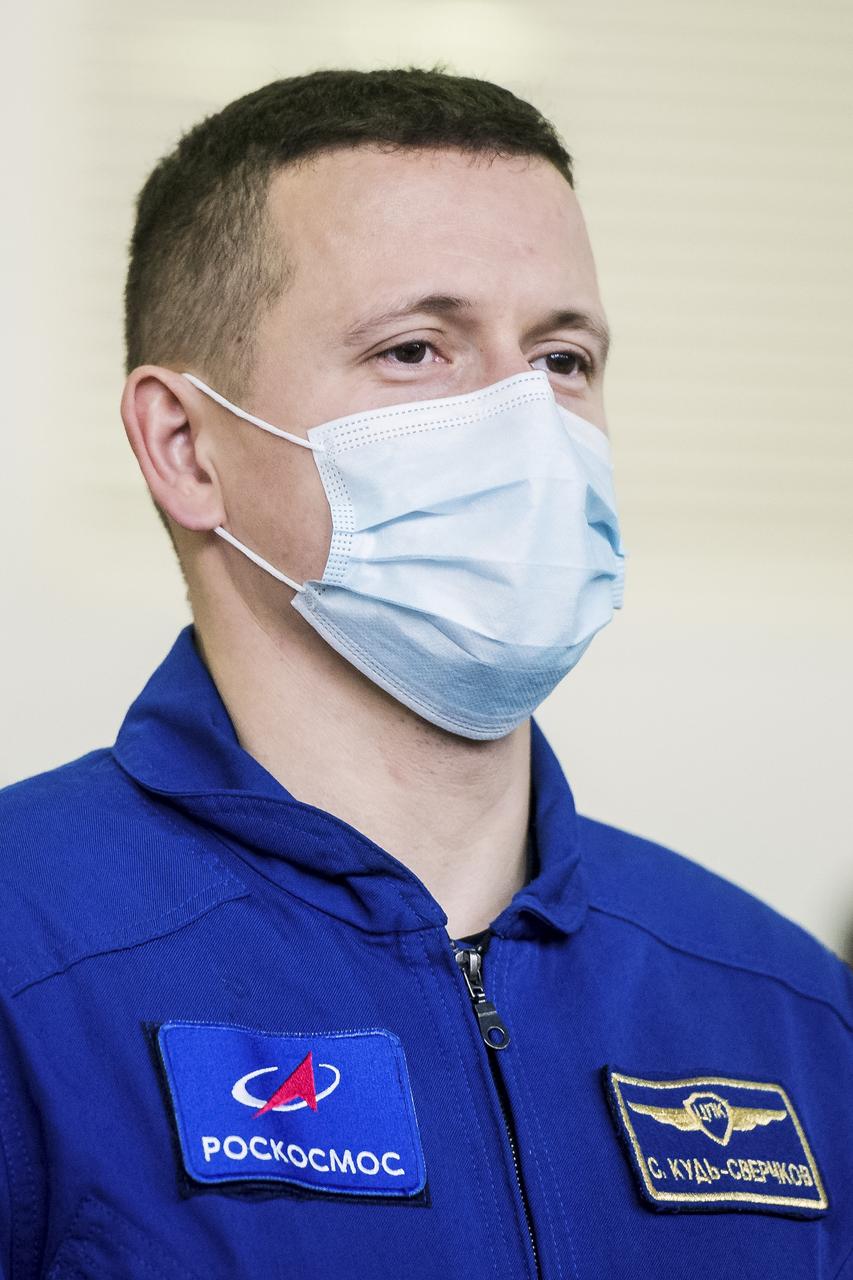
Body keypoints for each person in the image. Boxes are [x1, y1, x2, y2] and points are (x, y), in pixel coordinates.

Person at [1, 67, 850, 1280]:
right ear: (186, 446)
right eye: (415, 349)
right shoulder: (29, 959)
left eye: (561, 360)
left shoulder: (784, 1008)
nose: (524, 425)